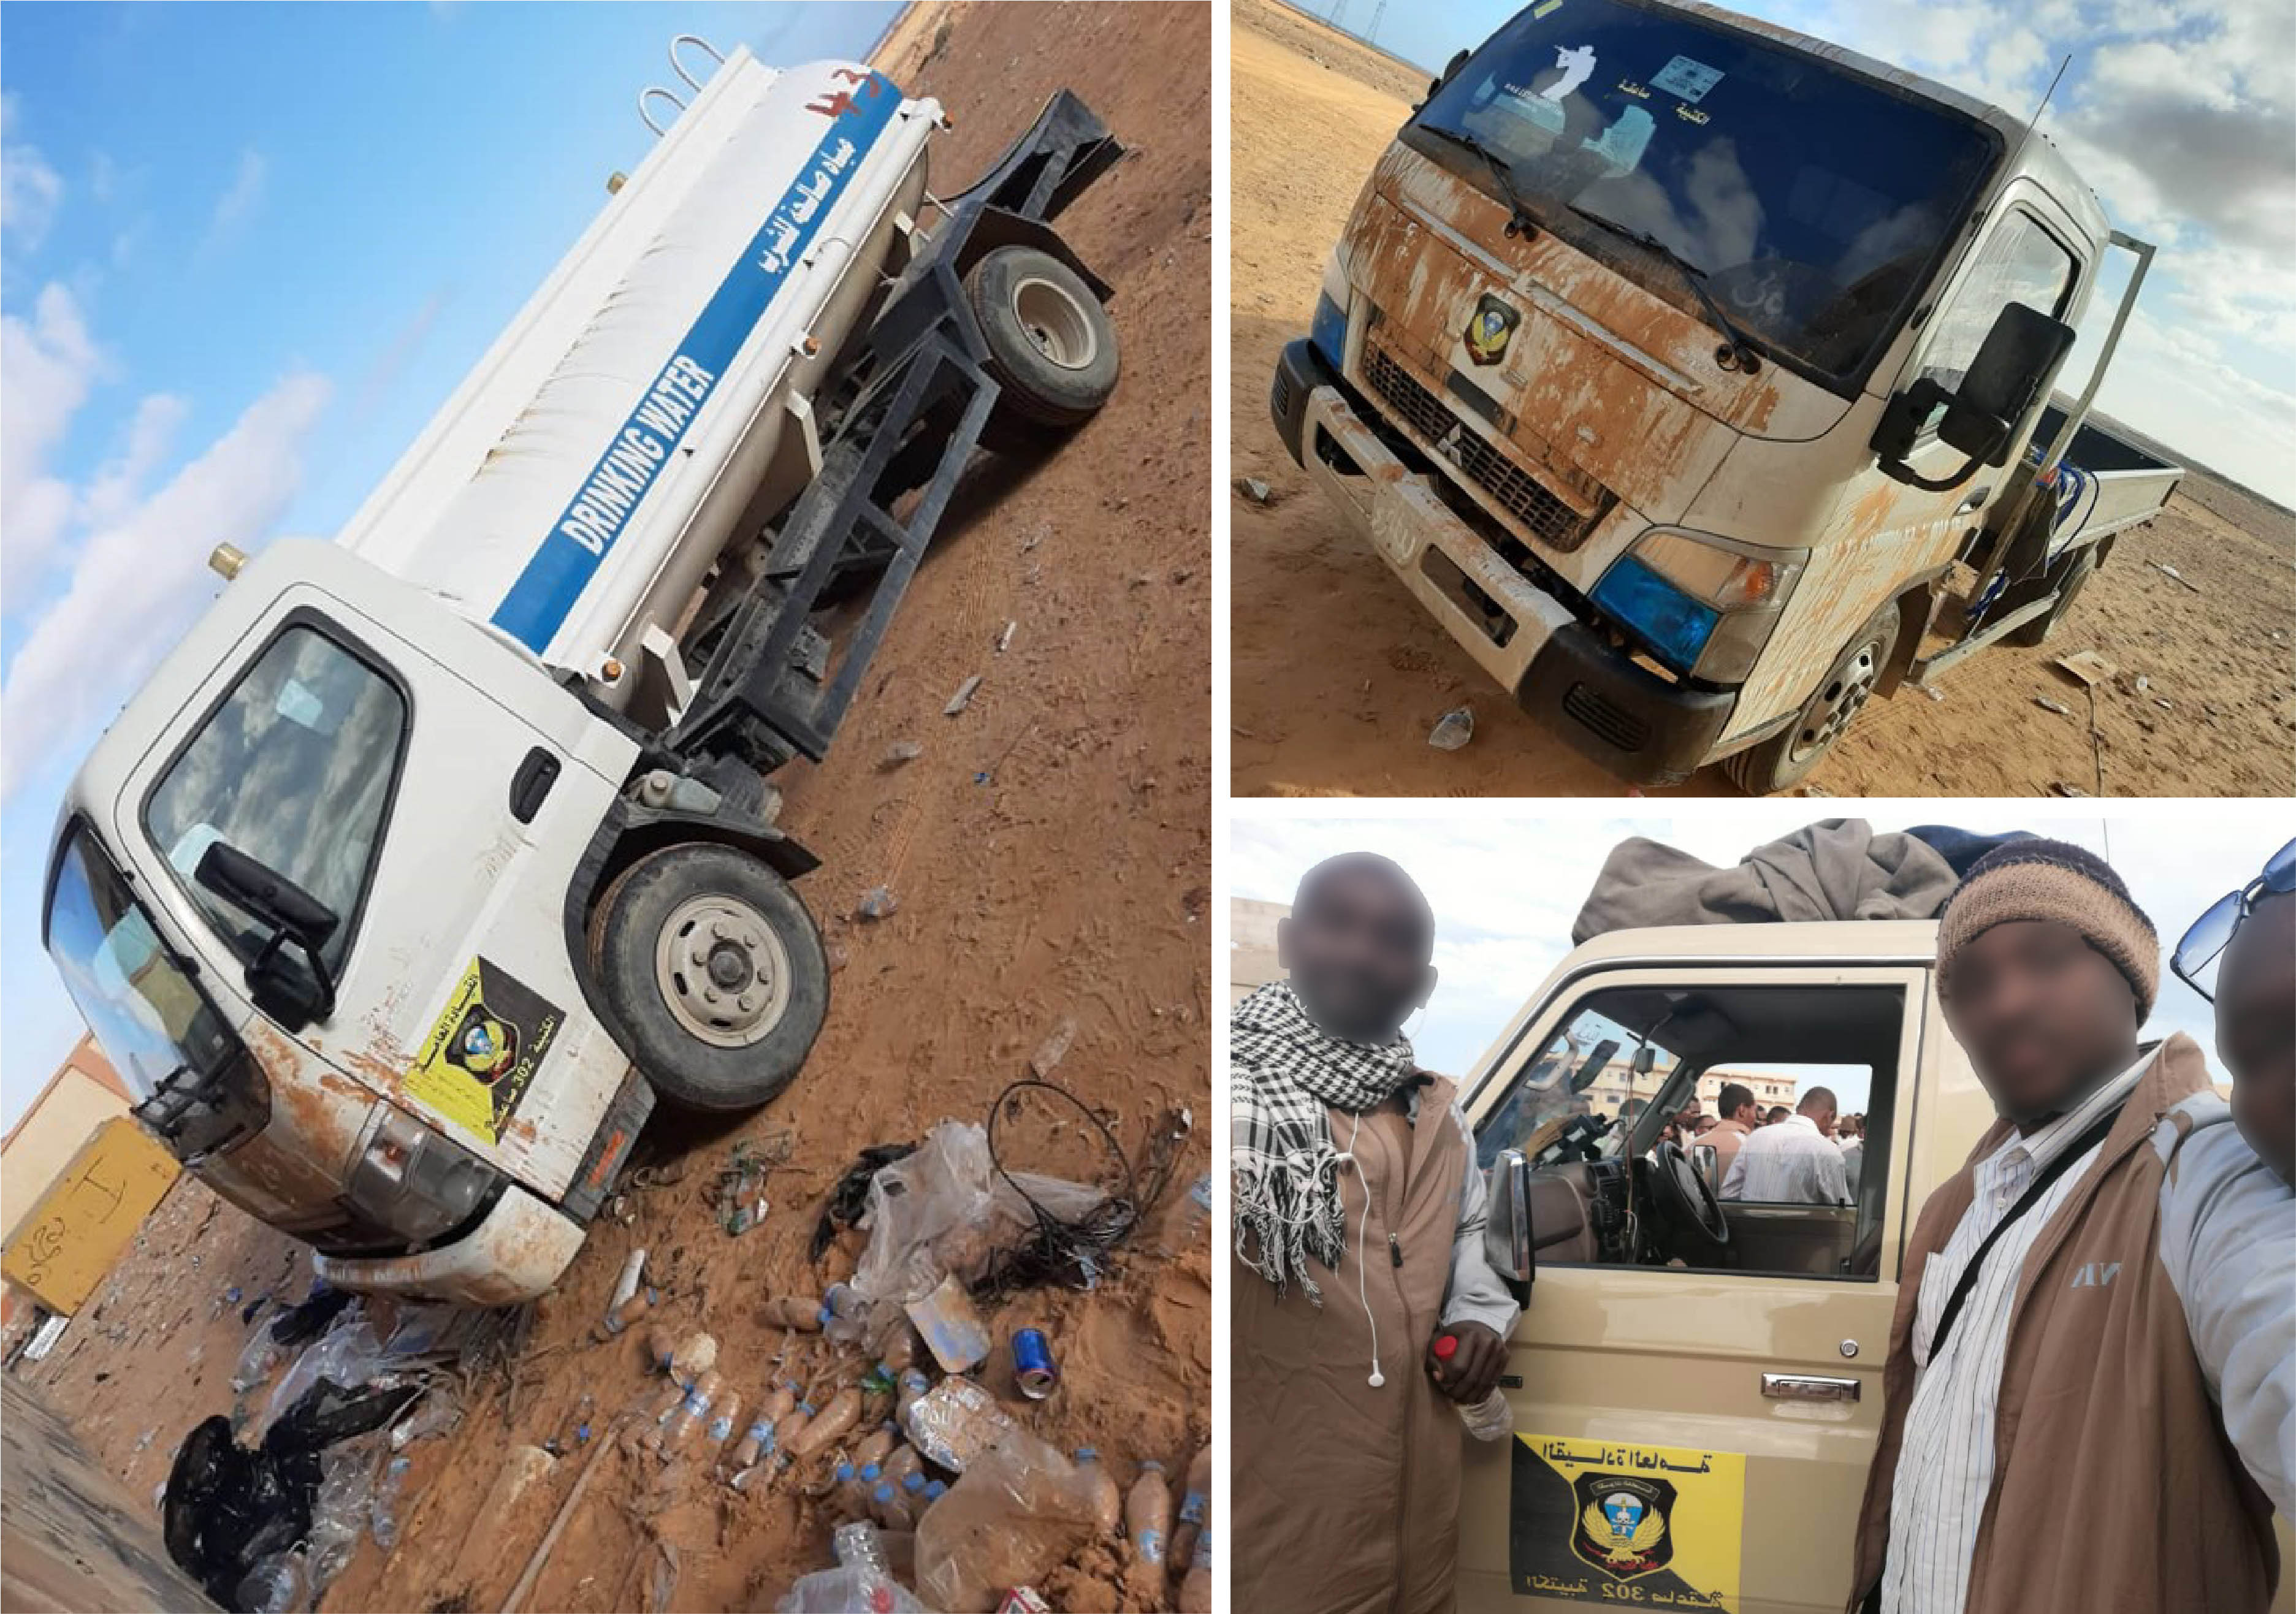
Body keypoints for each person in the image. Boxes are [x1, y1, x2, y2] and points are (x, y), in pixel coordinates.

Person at [1848, 840, 2286, 1614]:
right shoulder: (1961, 1201)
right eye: (1971, 984)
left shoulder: (2201, 1167)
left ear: (2131, 984)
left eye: (2048, 957)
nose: (2006, 1002)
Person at [1232, 853, 1523, 1614]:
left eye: (1392, 939)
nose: (1361, 952)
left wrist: (1478, 1316)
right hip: (1286, 1517)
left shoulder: (1436, 1114)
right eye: (1338, 924)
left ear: (1421, 983)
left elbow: (1475, 1231)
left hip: (1419, 1511)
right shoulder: (1236, 1093)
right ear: (1292, 940)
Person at [1720, 1087, 1849, 1204]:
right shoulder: (1828, 1151)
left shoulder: (1755, 1137)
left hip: (1749, 1228)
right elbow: (1843, 1211)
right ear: (1829, 1115)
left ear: (1800, 1108)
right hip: (1802, 1230)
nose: (1829, 1130)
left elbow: (1728, 1194)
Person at [1703, 1082, 1760, 1184]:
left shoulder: (1692, 1145)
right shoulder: (1751, 1146)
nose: (1756, 1118)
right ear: (1742, 1110)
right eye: (1754, 1111)